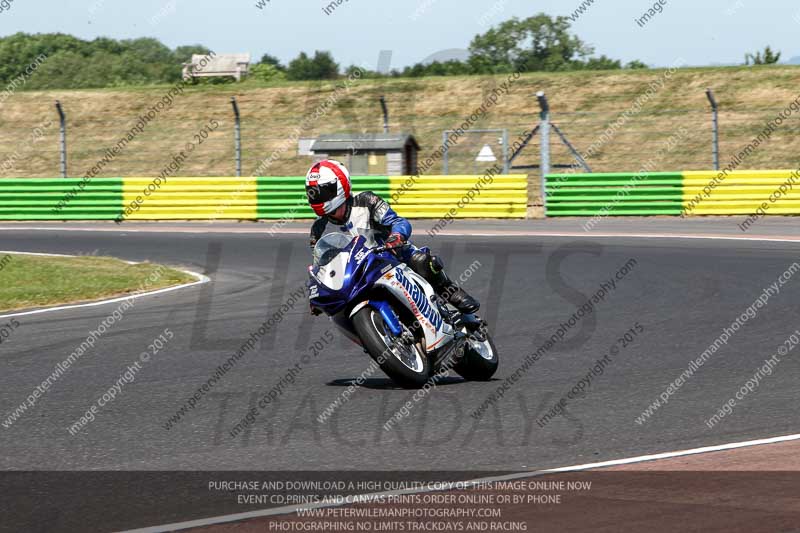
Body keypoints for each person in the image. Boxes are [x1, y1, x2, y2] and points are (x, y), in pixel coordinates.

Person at [305, 159, 480, 314]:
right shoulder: (318, 229)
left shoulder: (367, 201)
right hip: (357, 276)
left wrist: (396, 236)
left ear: (340, 185)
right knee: (338, 313)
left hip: (393, 256)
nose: (317, 198)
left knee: (422, 261)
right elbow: (321, 265)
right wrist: (318, 294)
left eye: (322, 192)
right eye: (313, 193)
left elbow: (399, 222)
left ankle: (453, 293)